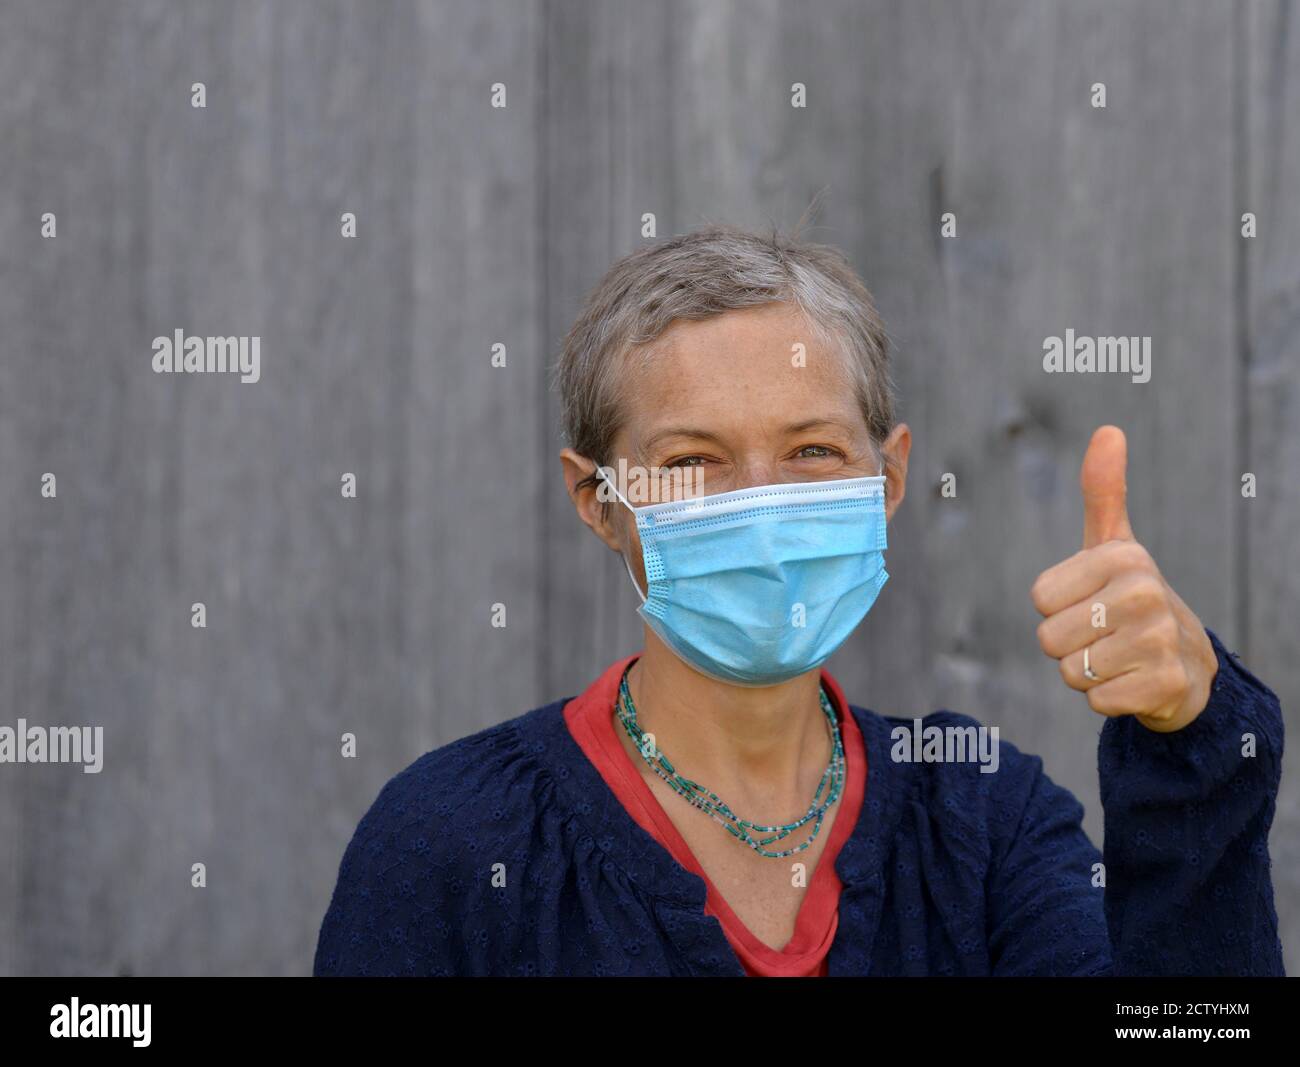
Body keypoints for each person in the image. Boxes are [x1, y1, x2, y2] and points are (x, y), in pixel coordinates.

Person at [313, 223, 1284, 976]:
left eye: (811, 451)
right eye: (692, 460)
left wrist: (1187, 739)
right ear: (599, 503)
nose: (762, 509)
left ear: (889, 476)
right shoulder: (450, 843)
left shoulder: (982, 821)